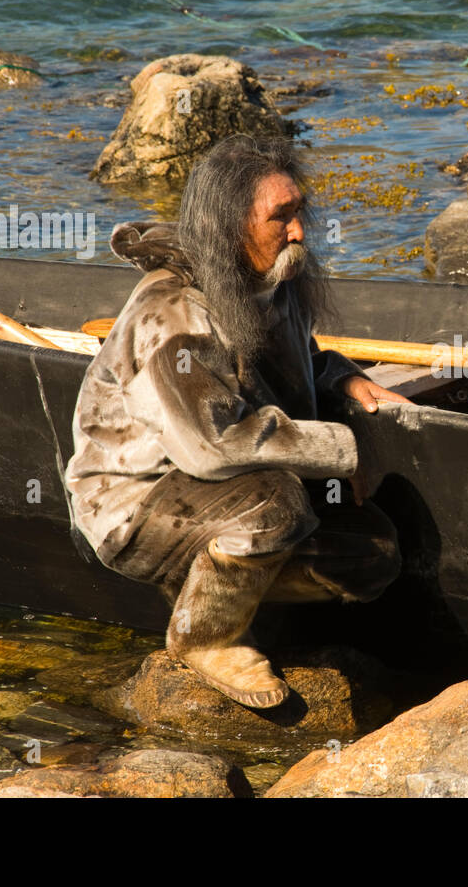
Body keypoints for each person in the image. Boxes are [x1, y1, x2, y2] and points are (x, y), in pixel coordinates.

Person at [64, 133, 411, 708]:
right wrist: (345, 447)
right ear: (228, 226)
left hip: (219, 491)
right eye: (282, 217)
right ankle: (206, 635)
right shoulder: (173, 312)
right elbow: (213, 445)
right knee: (277, 504)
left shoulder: (270, 279)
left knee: (373, 553)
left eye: (299, 211)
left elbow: (292, 363)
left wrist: (340, 377)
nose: (298, 231)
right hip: (135, 501)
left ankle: (211, 583)